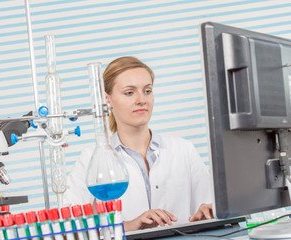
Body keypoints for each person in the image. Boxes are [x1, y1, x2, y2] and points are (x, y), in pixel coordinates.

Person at [63, 56, 213, 231]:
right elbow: (69, 226)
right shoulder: (91, 159)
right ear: (107, 99)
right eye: (129, 92)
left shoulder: (183, 149)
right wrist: (128, 226)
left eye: (147, 91)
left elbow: (207, 205)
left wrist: (208, 213)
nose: (142, 100)